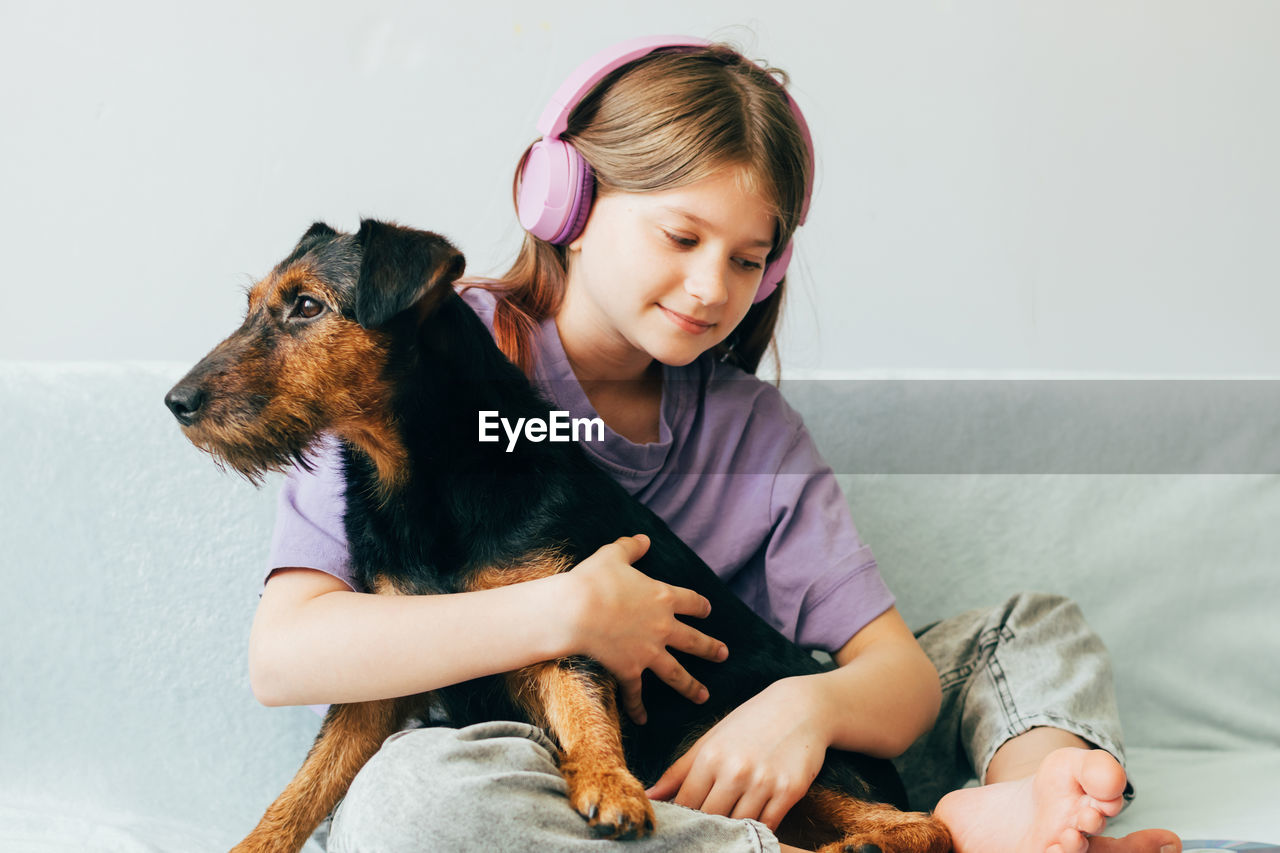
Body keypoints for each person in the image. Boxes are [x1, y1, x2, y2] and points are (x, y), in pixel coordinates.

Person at [252, 36, 1182, 853]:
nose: (711, 286)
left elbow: (897, 681)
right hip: (541, 754)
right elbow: (287, 656)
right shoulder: (413, 348)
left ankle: (1027, 810)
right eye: (681, 235)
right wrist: (571, 615)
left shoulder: (752, 430)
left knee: (1028, 628)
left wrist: (801, 710)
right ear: (564, 204)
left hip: (758, 724)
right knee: (415, 807)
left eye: (747, 259)